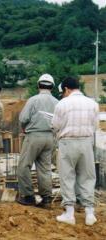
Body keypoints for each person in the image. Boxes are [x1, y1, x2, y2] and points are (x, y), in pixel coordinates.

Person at [52, 77, 99, 226]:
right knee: (87, 176)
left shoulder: (62, 104)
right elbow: (95, 125)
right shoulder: (92, 104)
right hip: (86, 142)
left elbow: (55, 125)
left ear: (66, 89)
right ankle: (89, 213)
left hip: (67, 142)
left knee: (67, 177)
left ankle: (70, 213)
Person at [17, 74, 58, 208]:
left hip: (34, 136)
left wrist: (23, 128)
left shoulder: (33, 100)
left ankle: (28, 196)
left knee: (24, 166)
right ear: (52, 87)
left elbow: (23, 118)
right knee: (45, 169)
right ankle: (46, 199)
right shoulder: (57, 102)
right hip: (49, 137)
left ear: (38, 85)